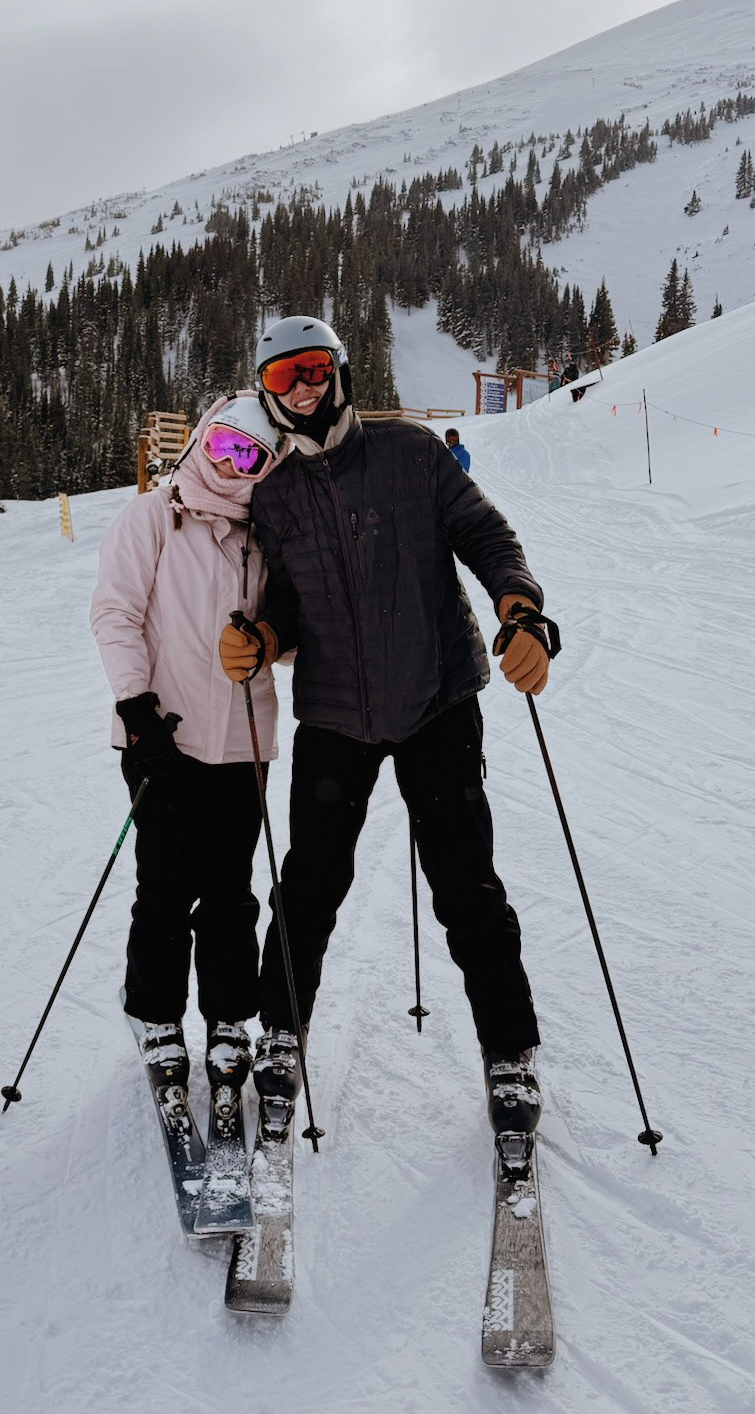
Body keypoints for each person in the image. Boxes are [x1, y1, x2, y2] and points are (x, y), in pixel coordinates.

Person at [217, 316, 554, 1133]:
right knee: (308, 887)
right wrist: (262, 636)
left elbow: (485, 534)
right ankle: (281, 1035)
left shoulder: (409, 453)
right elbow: (289, 607)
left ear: (337, 370)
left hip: (436, 697)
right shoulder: (275, 495)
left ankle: (509, 1051)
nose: (302, 385)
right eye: (281, 376)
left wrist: (521, 611)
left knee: (466, 886)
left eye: (312, 366)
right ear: (266, 393)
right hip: (334, 712)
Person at [90, 392, 286, 1102]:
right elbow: (115, 615)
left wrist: (270, 642)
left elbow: (291, 635)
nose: (232, 464)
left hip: (241, 740)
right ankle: (154, 1013)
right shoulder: (151, 518)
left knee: (231, 893)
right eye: (224, 444)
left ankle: (229, 1017)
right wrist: (136, 709)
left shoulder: (268, 534)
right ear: (203, 435)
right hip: (160, 738)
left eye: (250, 457)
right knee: (166, 885)